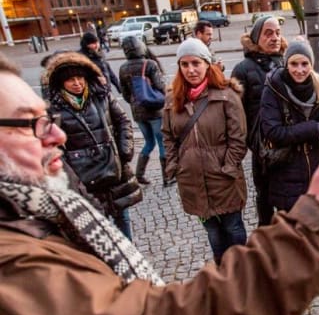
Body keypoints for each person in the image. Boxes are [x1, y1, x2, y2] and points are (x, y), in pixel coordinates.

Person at [0, 51, 319, 315]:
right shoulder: (13, 266)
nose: (56, 134)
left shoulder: (40, 212)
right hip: (197, 189)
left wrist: (227, 166)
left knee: (233, 233)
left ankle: (233, 268)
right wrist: (313, 229)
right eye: (28, 124)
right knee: (217, 239)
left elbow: (241, 136)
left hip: (223, 184)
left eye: (47, 118)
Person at [162, 38, 247, 265]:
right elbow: (168, 136)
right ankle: (222, 271)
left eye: (196, 63)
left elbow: (238, 138)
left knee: (233, 228)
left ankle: (242, 271)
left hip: (223, 179)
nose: (191, 70)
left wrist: (228, 167)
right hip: (192, 180)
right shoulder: (172, 99)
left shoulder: (226, 95)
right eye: (185, 64)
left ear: (207, 64)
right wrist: (175, 166)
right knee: (213, 232)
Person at [42, 51, 142, 240]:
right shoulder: (53, 109)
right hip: (85, 177)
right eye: (70, 79)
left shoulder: (101, 96)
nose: (77, 83)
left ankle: (128, 250)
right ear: (61, 83)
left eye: (80, 78)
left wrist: (124, 151)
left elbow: (122, 121)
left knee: (122, 216)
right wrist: (70, 170)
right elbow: (52, 144)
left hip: (113, 169)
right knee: (97, 222)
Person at [260, 38, 319, 211]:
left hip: (315, 165)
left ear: (311, 64)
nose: (300, 70)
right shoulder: (273, 88)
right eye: (294, 64)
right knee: (293, 223)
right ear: (286, 64)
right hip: (286, 170)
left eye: (305, 64)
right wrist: (314, 128)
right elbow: (273, 132)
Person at [231, 15, 288, 226]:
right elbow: (236, 114)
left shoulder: (286, 62)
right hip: (262, 147)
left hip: (288, 141)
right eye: (268, 33)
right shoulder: (243, 69)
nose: (275, 38)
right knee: (265, 195)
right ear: (256, 37)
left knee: (289, 193)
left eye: (278, 33)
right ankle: (267, 234)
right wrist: (253, 142)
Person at [118, 36, 168, 186]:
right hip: (154, 110)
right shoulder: (150, 64)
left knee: (149, 142)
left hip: (138, 112)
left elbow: (125, 93)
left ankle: (139, 174)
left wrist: (135, 102)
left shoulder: (123, 68)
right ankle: (167, 177)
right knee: (162, 143)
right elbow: (160, 86)